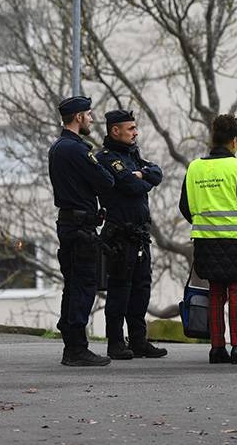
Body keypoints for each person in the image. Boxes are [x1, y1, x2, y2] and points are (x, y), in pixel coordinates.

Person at [179, 114, 237, 364]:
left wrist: (204, 223)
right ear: (233, 141)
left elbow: (184, 205)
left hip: (205, 241)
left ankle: (217, 348)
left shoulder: (195, 167)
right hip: (235, 241)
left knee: (216, 294)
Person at [49, 95, 115, 366]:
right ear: (77, 117)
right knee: (84, 284)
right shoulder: (76, 149)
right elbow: (106, 181)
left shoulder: (58, 147)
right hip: (80, 227)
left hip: (69, 224)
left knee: (73, 283)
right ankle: (76, 348)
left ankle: (72, 341)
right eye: (88, 114)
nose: (91, 119)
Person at [96, 110, 168, 360]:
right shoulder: (106, 158)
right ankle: (116, 342)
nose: (136, 133)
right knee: (120, 290)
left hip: (139, 235)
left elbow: (157, 173)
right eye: (131, 129)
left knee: (141, 289)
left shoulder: (132, 154)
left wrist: (143, 175)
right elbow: (131, 184)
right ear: (115, 130)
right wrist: (142, 178)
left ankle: (139, 340)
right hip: (119, 235)